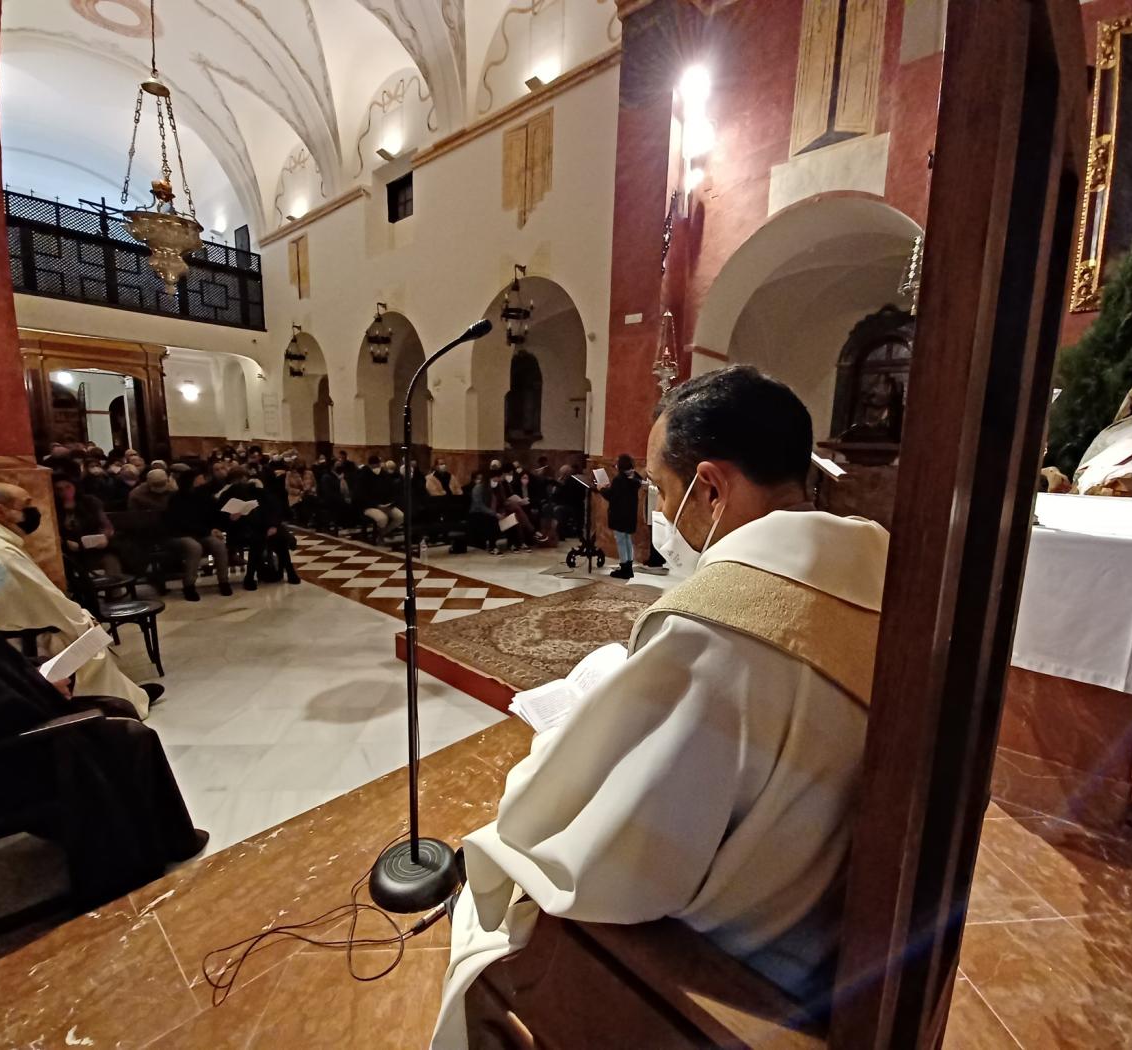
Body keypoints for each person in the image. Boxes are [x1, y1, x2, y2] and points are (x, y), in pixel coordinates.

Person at [433, 367, 890, 1047]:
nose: (657, 508)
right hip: (844, 916)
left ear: (709, 488)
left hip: (751, 951)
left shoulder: (716, 627)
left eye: (659, 488)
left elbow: (606, 856)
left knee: (494, 885)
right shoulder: (881, 562)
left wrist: (560, 744)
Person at [0, 527, 206, 904]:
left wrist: (38, 673)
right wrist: (45, 688)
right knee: (129, 736)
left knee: (116, 709)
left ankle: (160, 836)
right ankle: (131, 856)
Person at [0, 484, 157, 718]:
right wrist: (82, 620)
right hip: (21, 637)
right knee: (84, 637)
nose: (33, 510)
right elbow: (43, 604)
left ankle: (129, 692)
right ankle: (113, 703)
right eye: (26, 505)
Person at [217, 467, 301, 590]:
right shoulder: (226, 495)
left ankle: (289, 571)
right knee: (258, 539)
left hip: (263, 526)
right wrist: (230, 518)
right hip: (239, 530)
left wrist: (272, 525)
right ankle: (250, 577)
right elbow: (219, 516)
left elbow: (272, 509)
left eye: (242, 480)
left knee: (279, 538)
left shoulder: (257, 491)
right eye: (237, 481)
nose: (241, 483)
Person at [164, 469, 233, 601]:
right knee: (194, 547)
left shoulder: (205, 496)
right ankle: (189, 585)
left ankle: (224, 581)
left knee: (218, 544)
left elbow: (216, 515)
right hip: (179, 535)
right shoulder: (176, 498)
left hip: (202, 533)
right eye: (200, 477)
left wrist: (217, 528)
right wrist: (208, 531)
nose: (203, 480)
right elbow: (180, 523)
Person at [52, 475, 121, 576]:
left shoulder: (90, 502)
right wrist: (64, 543)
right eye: (59, 489)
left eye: (68, 487)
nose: (64, 491)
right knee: (65, 565)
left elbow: (106, 525)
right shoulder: (52, 506)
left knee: (111, 560)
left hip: (94, 547)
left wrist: (104, 536)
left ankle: (114, 589)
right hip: (69, 551)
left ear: (74, 486)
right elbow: (51, 534)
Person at [599, 453, 644, 579]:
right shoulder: (634, 477)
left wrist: (601, 489)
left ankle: (624, 568)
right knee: (627, 540)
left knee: (621, 540)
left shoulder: (619, 479)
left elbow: (612, 496)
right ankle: (628, 567)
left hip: (619, 515)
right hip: (630, 515)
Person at [357, 455, 404, 538]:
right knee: (382, 518)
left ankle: (383, 533)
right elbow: (362, 496)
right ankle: (380, 536)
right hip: (369, 506)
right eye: (376, 465)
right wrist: (377, 505)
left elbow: (391, 490)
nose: (378, 467)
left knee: (400, 516)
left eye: (379, 464)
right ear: (371, 465)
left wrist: (391, 503)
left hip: (385, 504)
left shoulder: (384, 475)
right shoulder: (363, 476)